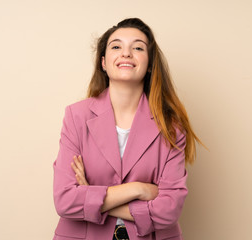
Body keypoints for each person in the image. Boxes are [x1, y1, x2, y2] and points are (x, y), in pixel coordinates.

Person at [52, 18, 202, 240]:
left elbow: (169, 210)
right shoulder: (76, 116)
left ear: (150, 63)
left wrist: (92, 197)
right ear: (103, 62)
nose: (126, 53)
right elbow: (65, 201)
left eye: (138, 47)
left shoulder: (172, 126)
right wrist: (140, 189)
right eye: (116, 46)